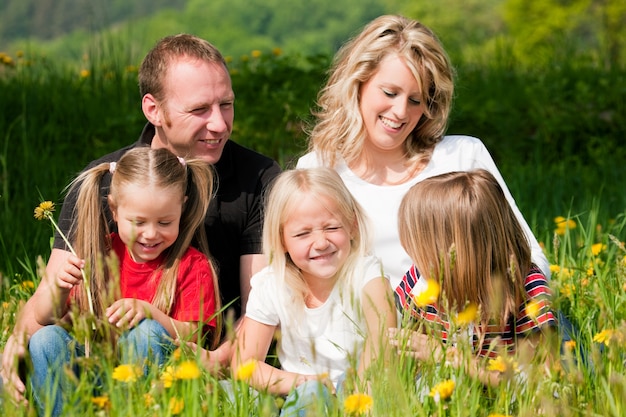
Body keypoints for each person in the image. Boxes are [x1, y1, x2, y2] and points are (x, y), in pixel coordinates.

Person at [1, 34, 281, 404]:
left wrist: (218, 361)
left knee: (148, 337)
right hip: (101, 357)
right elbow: (50, 292)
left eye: (226, 104)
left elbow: (258, 304)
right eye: (199, 110)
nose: (219, 124)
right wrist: (17, 342)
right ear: (153, 110)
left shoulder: (257, 177)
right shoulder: (106, 182)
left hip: (203, 361)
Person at [296, 14, 550, 292]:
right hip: (377, 327)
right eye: (390, 93)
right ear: (357, 84)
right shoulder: (319, 170)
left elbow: (528, 257)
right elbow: (299, 277)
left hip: (474, 320)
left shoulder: (462, 156)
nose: (401, 112)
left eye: (416, 100)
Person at [29, 146, 221, 417]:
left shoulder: (191, 266)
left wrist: (150, 313)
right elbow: (43, 316)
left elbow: (195, 335)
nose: (151, 234)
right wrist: (59, 288)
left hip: (152, 385)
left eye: (165, 222)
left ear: (183, 208)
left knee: (148, 333)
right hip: (92, 375)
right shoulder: (100, 254)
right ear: (114, 211)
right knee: (44, 340)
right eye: (138, 222)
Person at [229, 168, 396, 416]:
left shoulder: (368, 275)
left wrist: (355, 396)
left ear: (351, 226)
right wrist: (303, 382)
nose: (320, 242)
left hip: (359, 393)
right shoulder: (272, 283)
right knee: (233, 392)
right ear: (282, 240)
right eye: (303, 233)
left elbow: (383, 341)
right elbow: (243, 364)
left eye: (331, 228)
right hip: (298, 390)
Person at [389, 169, 557, 386]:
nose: (407, 248)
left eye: (417, 243)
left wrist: (449, 357)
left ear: (452, 251)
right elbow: (403, 349)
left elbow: (541, 383)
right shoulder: (420, 280)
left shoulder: (527, 289)